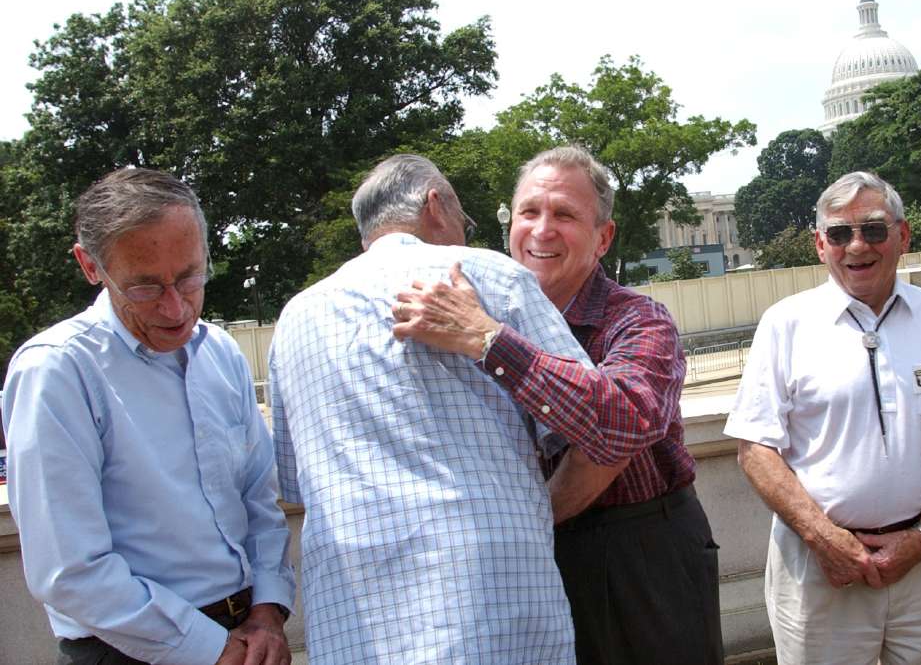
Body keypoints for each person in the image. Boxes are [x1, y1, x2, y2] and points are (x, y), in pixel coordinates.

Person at [391, 146, 723, 665]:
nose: (542, 231)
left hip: (637, 555)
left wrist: (489, 342)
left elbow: (625, 417)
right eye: (529, 212)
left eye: (565, 214)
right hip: (517, 553)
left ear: (603, 237)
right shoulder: (466, 308)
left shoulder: (637, 320)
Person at [268, 154, 594, 664]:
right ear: (436, 205)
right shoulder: (487, 275)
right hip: (490, 606)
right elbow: (594, 417)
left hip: (353, 619)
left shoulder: (295, 317)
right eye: (465, 223)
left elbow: (294, 484)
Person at [2, 168, 295, 665]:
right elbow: (69, 570)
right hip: (126, 650)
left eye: (190, 276)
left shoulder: (220, 353)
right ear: (90, 266)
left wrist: (267, 612)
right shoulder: (57, 371)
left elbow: (257, 501)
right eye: (145, 287)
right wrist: (210, 649)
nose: (176, 307)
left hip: (247, 634)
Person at [724, 171, 921, 665]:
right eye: (839, 233)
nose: (857, 246)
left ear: (903, 236)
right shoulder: (786, 324)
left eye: (874, 229)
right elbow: (756, 449)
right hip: (819, 567)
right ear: (819, 245)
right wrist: (823, 538)